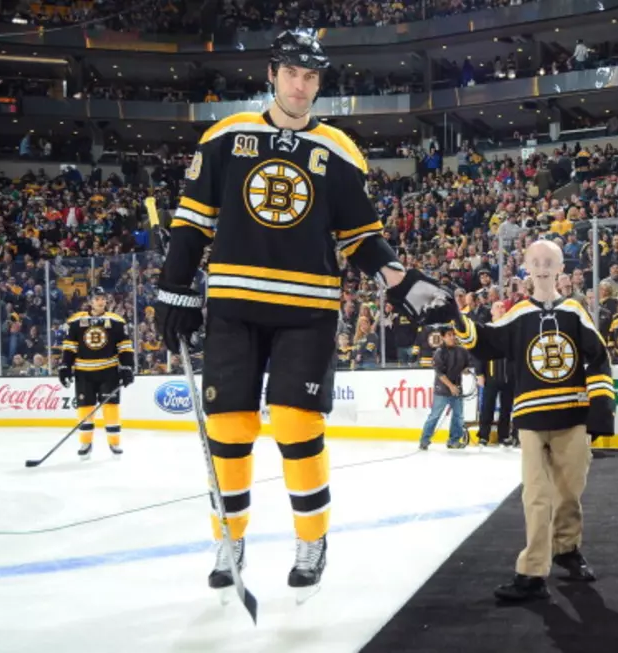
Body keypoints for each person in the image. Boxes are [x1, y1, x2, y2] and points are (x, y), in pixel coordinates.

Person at [153, 29, 454, 596]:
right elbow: (192, 222)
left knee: (295, 424)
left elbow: (362, 238)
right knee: (229, 428)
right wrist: (174, 290)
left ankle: (312, 540)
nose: (300, 85)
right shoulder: (226, 137)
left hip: (307, 308)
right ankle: (230, 537)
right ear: (272, 73)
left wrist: (403, 283)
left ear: (320, 82)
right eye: (292, 72)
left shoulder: (340, 151)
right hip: (234, 305)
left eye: (311, 76)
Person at [453, 240, 615, 603]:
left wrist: (600, 407)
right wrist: (456, 318)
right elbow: (485, 340)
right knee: (537, 496)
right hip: (531, 418)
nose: (542, 267)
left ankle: (567, 549)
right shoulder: (518, 314)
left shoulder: (575, 311)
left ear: (561, 269)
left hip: (572, 415)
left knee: (570, 491)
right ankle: (532, 572)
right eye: (535, 262)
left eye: (549, 262)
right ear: (526, 267)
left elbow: (599, 356)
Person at [58, 286, 134, 459]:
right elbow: (70, 346)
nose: (101, 301)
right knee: (85, 409)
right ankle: (86, 443)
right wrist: (65, 366)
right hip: (84, 372)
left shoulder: (116, 321)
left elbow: (125, 346)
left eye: (103, 298)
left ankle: (114, 444)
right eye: (97, 298)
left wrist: (127, 366)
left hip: (109, 371)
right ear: (90, 301)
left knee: (111, 408)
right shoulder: (76, 321)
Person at [419, 326, 471, 450]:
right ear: (443, 337)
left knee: (458, 416)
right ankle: (424, 440)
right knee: (435, 415)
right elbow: (440, 373)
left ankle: (453, 440)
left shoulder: (462, 351)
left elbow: (465, 365)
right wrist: (451, 386)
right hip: (442, 390)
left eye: (453, 334)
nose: (452, 337)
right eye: (449, 335)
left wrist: (465, 370)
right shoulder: (439, 353)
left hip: (457, 389)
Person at [474, 301, 515, 447]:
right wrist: (479, 373)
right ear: (491, 311)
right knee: (487, 407)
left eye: (503, 307)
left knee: (506, 408)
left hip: (509, 376)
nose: (501, 309)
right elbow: (479, 353)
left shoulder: (511, 329)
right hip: (491, 374)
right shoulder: (487, 329)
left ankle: (503, 435)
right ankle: (483, 435)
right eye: (497, 307)